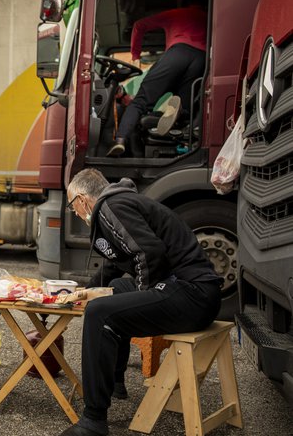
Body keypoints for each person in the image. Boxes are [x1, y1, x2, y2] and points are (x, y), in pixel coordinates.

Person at [59, 168, 222, 436]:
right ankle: (115, 379)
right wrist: (83, 291)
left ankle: (93, 420)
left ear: (81, 199)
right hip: (192, 291)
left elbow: (148, 253)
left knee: (100, 312)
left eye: (72, 206)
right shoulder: (120, 203)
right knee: (114, 288)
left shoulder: (109, 207)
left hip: (193, 293)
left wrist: (139, 295)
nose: (75, 212)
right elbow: (114, 265)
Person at [107, 0, 207, 156]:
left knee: (140, 102)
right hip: (202, 59)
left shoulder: (177, 13)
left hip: (178, 53)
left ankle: (120, 140)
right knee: (186, 107)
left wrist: (135, 53)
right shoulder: (209, 17)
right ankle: (183, 133)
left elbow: (139, 25)